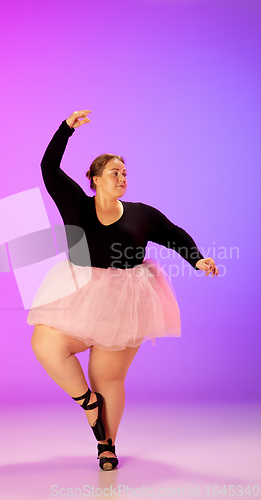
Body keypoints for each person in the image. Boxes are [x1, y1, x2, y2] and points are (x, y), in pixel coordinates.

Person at [27, 110, 219, 471]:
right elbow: (48, 168)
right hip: (80, 290)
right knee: (46, 344)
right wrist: (65, 129)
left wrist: (197, 259)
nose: (122, 178)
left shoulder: (141, 214)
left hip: (127, 298)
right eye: (115, 172)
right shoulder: (75, 203)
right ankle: (88, 402)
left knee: (108, 376)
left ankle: (106, 445)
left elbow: (173, 234)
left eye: (126, 173)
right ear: (95, 179)